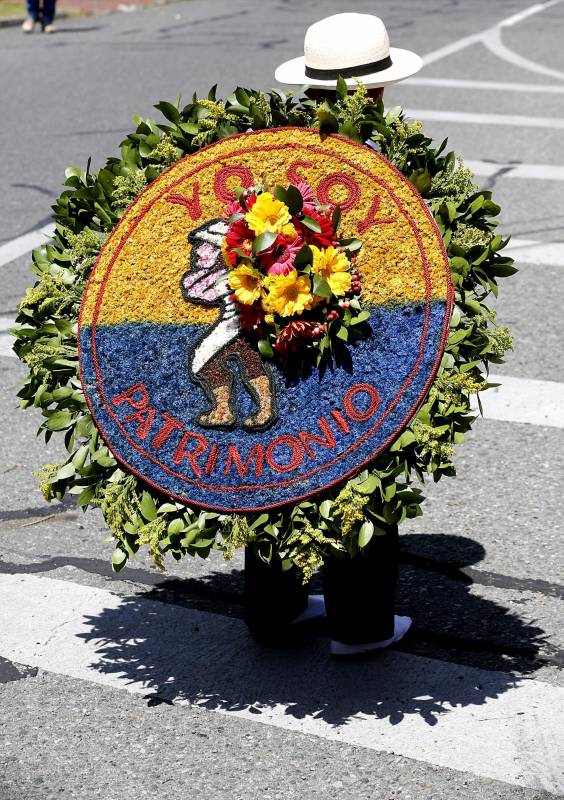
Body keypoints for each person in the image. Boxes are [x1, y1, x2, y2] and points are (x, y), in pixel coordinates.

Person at [243, 12, 423, 656]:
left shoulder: (272, 155)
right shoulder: (381, 169)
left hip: (274, 339)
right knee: (360, 463)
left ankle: (274, 606)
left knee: (278, 465)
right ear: (375, 91)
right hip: (355, 350)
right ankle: (360, 624)